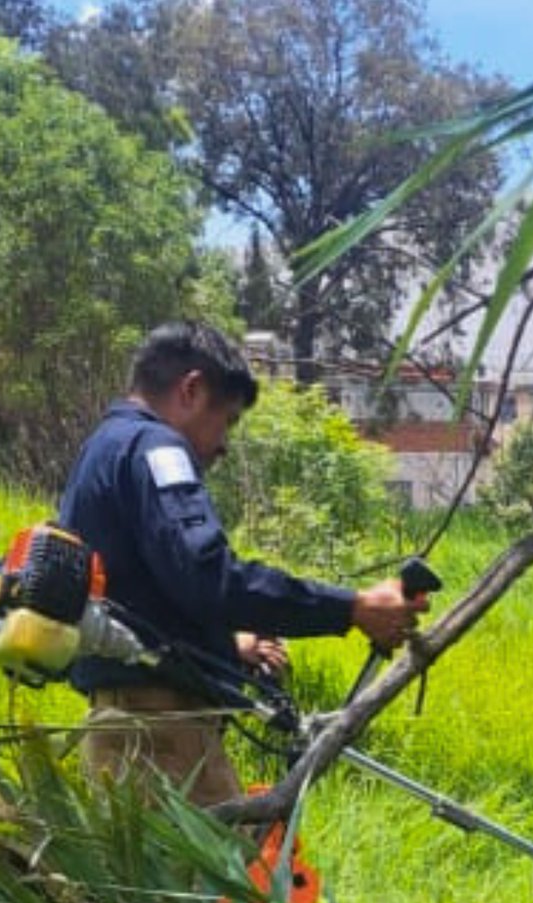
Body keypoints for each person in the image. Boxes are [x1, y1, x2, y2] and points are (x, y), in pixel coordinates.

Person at [55, 320, 427, 805]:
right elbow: (210, 578)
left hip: (125, 729)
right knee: (229, 857)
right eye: (227, 420)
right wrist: (352, 607)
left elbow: (146, 592)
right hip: (162, 736)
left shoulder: (104, 447)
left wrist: (228, 646)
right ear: (191, 389)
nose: (224, 445)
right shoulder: (157, 449)